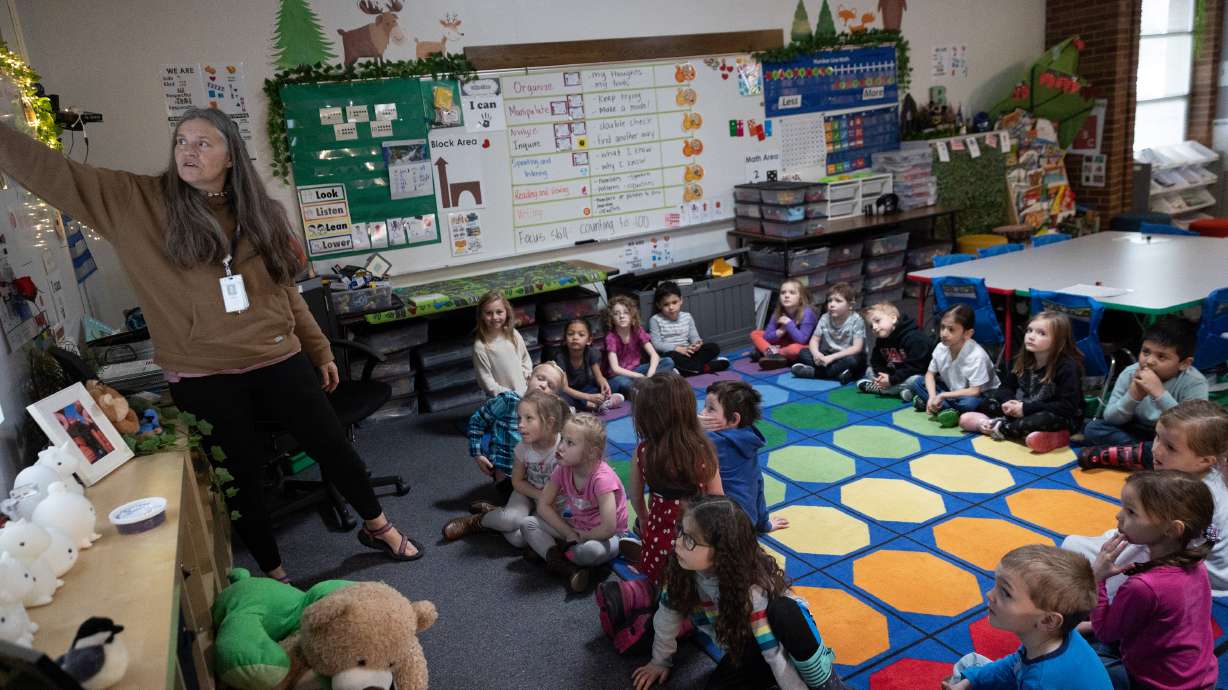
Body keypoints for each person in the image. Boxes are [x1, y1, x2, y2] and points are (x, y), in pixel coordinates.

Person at [0, 108, 422, 580]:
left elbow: (284, 289)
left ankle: (378, 526)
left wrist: (319, 347)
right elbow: (55, 171)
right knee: (241, 477)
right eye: (181, 140)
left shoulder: (259, 211)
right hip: (203, 374)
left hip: (277, 357)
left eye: (203, 142)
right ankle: (274, 573)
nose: (188, 150)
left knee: (334, 447)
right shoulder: (136, 201)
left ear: (230, 156)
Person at [631, 496, 847, 690]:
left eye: (689, 540)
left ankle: (827, 683)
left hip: (784, 638)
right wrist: (659, 662)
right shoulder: (681, 569)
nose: (677, 543)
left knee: (785, 611)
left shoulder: (751, 591)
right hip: (746, 649)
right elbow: (666, 618)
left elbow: (773, 653)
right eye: (680, 532)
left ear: (721, 552)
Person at [1063, 400, 1228, 598]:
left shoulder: (1176, 492)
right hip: (1211, 567)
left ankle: (1108, 602)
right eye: (1157, 437)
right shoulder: (1215, 472)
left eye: (1170, 448)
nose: (1156, 449)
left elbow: (1145, 543)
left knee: (1073, 546)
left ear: (1205, 460)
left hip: (1197, 575)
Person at [1088, 471, 1217, 689]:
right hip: (1200, 677)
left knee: (1066, 656)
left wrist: (1096, 578)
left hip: (1157, 684)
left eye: (1131, 512)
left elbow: (1105, 632)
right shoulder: (1196, 563)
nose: (1118, 516)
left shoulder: (1143, 587)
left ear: (1172, 529)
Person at [941, 545, 1111, 690]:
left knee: (965, 666)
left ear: (1048, 620)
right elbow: (1016, 663)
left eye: (1005, 592)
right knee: (970, 670)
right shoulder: (1053, 639)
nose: (989, 595)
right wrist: (970, 681)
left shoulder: (1040, 682)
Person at [625, 373, 725, 584]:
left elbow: (635, 494)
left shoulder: (643, 451)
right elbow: (717, 499)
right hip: (696, 539)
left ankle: (653, 589)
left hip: (658, 534)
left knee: (659, 574)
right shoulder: (702, 450)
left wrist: (643, 519)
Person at [443, 389, 570, 544]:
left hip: (551, 502)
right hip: (528, 492)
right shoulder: (522, 447)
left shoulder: (565, 446)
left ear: (549, 423)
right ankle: (478, 521)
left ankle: (496, 516)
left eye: (528, 419)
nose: (520, 425)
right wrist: (540, 495)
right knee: (511, 522)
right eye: (519, 419)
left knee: (519, 539)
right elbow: (517, 482)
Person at [1079, 318, 1208, 470]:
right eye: (1146, 352)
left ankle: (1125, 454)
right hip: (1137, 431)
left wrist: (1159, 393)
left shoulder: (1195, 382)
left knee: (1187, 451)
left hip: (1169, 437)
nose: (1149, 361)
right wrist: (1133, 396)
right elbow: (1111, 419)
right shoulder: (1130, 373)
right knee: (1093, 428)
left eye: (1161, 357)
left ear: (1184, 363)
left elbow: (1192, 430)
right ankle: (1137, 455)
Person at [521, 413, 629, 593]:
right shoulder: (562, 468)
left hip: (606, 535)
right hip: (575, 528)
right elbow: (543, 505)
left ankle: (552, 553)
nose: (560, 447)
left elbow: (609, 528)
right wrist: (569, 533)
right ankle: (566, 564)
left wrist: (584, 536)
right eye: (562, 439)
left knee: (590, 552)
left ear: (591, 452)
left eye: (569, 443)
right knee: (527, 523)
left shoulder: (602, 479)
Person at [959, 311, 1085, 454]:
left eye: (1041, 333)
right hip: (1024, 408)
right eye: (1029, 330)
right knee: (989, 401)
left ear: (1058, 341)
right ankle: (1011, 427)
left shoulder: (1067, 367)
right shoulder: (1024, 358)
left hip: (1059, 416)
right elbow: (1005, 387)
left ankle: (996, 426)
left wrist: (1025, 409)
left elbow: (1067, 407)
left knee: (1042, 420)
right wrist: (1009, 402)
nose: (1031, 336)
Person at [457, 362, 566, 516]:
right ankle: (490, 516)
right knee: (528, 516)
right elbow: (477, 420)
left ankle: (497, 511)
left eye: (550, 385)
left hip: (536, 477)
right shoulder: (508, 401)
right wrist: (478, 453)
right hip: (508, 477)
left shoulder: (548, 417)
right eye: (540, 378)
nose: (543, 385)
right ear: (528, 378)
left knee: (546, 514)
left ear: (554, 397)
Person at [699, 381, 788, 533]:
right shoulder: (749, 438)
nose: (702, 413)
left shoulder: (712, 441)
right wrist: (764, 523)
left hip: (720, 528)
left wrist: (692, 425)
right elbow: (757, 484)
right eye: (705, 406)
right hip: (747, 525)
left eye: (711, 409)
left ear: (734, 419)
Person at [909, 304, 999, 428]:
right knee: (917, 382)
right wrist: (932, 396)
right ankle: (940, 407)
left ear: (967, 333)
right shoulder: (941, 347)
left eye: (951, 329)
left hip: (979, 395)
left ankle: (943, 408)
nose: (944, 334)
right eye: (942, 327)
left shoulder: (976, 355)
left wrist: (942, 395)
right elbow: (930, 374)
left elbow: (974, 391)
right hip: (953, 390)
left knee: (969, 404)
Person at [648, 281, 729, 376]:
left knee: (713, 347)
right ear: (659, 305)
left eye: (674, 302)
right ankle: (705, 368)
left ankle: (687, 370)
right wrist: (677, 348)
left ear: (681, 300)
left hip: (689, 352)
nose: (671, 307)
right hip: (673, 354)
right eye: (666, 304)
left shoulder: (687, 316)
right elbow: (657, 344)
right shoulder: (655, 320)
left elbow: (694, 336)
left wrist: (696, 344)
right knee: (669, 358)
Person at [791, 282, 866, 383]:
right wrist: (817, 354)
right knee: (803, 353)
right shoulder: (824, 318)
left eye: (838, 301)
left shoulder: (857, 320)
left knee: (853, 360)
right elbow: (814, 340)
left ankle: (815, 373)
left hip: (846, 356)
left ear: (850, 305)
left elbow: (857, 348)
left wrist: (831, 358)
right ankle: (838, 373)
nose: (832, 304)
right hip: (829, 355)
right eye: (830, 301)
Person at [605, 294, 673, 400]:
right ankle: (648, 388)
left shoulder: (637, 330)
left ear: (632, 315)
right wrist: (640, 377)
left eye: (626, 312)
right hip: (620, 375)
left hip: (637, 370)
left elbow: (654, 355)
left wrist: (651, 373)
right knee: (623, 384)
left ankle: (648, 384)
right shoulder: (611, 337)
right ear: (612, 319)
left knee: (668, 361)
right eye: (616, 314)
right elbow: (615, 368)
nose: (621, 316)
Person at [856, 303, 931, 399]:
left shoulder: (914, 338)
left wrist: (892, 380)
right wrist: (883, 376)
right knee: (868, 371)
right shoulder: (882, 338)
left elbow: (915, 367)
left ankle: (882, 389)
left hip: (916, 373)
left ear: (893, 318)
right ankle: (904, 391)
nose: (874, 327)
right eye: (871, 326)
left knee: (917, 381)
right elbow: (876, 361)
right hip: (895, 374)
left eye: (877, 321)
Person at [555, 318, 624, 413]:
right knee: (561, 397)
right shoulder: (561, 357)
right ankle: (595, 405)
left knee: (615, 384)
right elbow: (565, 388)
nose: (575, 337)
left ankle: (596, 403)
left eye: (581, 334)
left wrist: (604, 385)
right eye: (570, 334)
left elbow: (599, 377)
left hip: (586, 388)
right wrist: (589, 397)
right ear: (565, 339)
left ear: (589, 340)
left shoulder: (591, 353)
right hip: (571, 392)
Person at [472, 291, 533, 397]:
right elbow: (486, 380)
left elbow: (525, 358)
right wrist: (509, 395)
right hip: (503, 399)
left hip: (524, 392)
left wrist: (526, 376)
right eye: (488, 313)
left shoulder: (513, 334)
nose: (495, 317)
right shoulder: (480, 347)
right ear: (481, 315)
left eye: (499, 312)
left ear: (507, 312)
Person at [750, 280, 817, 370]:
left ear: (800, 297)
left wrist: (789, 324)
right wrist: (780, 331)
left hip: (802, 346)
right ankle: (774, 356)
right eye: (783, 293)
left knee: (795, 349)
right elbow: (767, 337)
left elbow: (802, 340)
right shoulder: (778, 312)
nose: (786, 296)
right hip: (782, 343)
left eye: (792, 293)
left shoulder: (807, 314)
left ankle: (770, 353)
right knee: (755, 333)